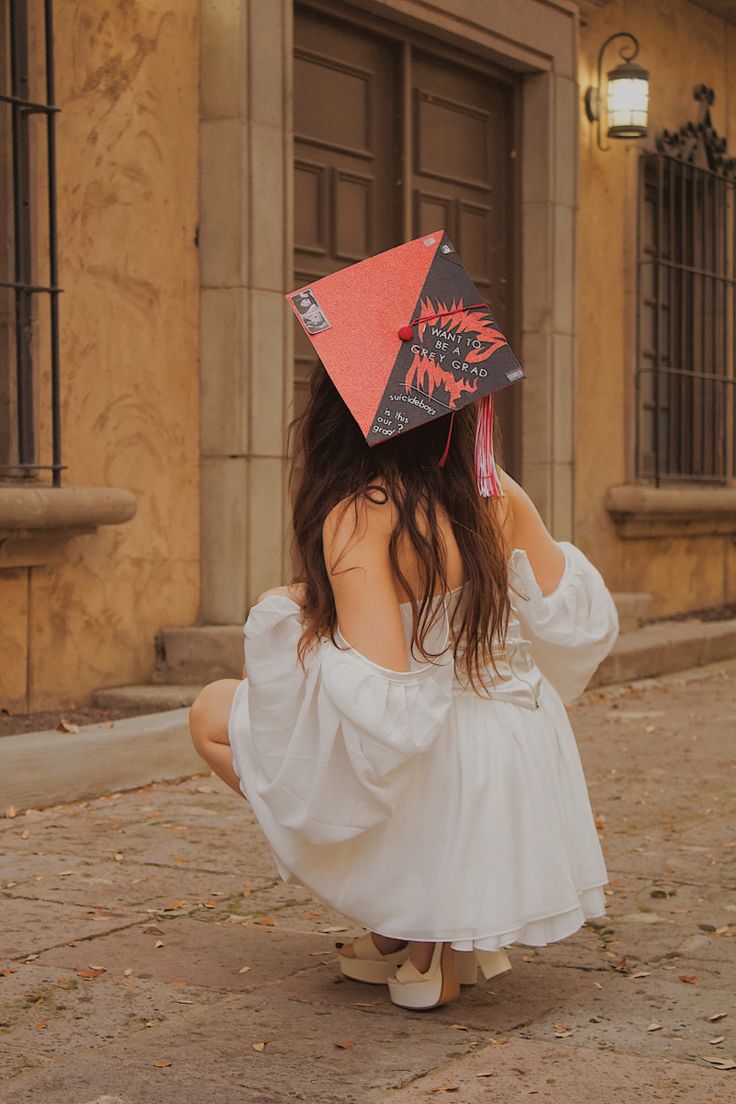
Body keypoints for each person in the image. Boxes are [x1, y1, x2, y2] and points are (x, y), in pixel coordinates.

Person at [189, 365, 620, 1012]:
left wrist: (292, 613)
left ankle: (427, 935)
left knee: (211, 714)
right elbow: (579, 625)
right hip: (525, 744)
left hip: (440, 760)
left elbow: (386, 701)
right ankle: (402, 923)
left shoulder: (363, 513)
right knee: (379, 738)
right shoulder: (495, 494)